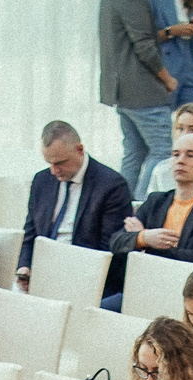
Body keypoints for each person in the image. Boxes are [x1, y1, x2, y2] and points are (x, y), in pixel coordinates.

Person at [112, 132, 193, 307]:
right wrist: (144, 237)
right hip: (141, 287)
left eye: (190, 155)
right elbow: (116, 241)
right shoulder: (156, 200)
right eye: (176, 154)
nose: (180, 160)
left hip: (185, 297)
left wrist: (147, 246)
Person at [19, 120, 134, 288]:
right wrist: (25, 266)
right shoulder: (42, 180)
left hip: (85, 277)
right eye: (49, 163)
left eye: (60, 163)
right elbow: (30, 232)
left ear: (79, 150)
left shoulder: (112, 185)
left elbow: (109, 250)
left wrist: (67, 276)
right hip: (43, 272)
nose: (54, 170)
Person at [101, 0, 182, 199]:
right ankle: (140, 203)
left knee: (134, 153)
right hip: (142, 90)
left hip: (123, 90)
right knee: (164, 151)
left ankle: (123, 205)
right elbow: (144, 45)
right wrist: (167, 79)